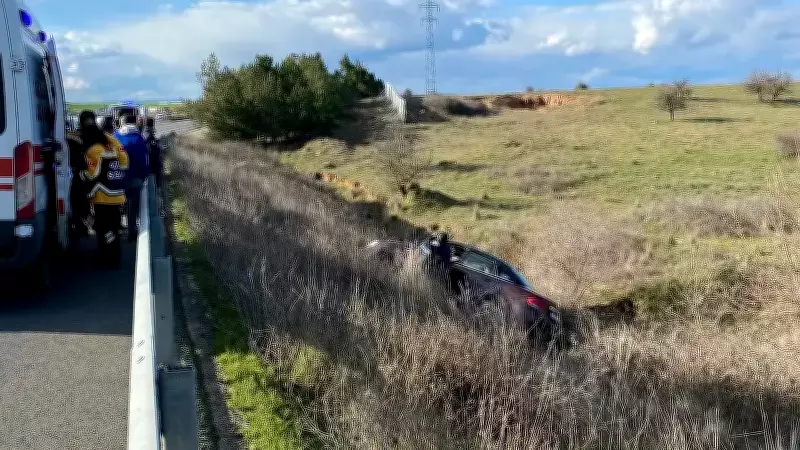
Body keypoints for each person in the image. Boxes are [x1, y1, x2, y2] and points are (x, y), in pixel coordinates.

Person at [79, 111, 129, 265]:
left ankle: (107, 257)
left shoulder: (92, 149)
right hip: (117, 192)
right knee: (113, 227)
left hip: (102, 195)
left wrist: (82, 174)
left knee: (104, 228)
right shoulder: (110, 140)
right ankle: (113, 255)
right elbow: (125, 161)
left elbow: (93, 174)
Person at [113, 114, 149, 241]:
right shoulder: (139, 138)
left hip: (117, 177)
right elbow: (143, 161)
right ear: (134, 123)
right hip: (134, 178)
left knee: (116, 204)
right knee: (132, 206)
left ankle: (115, 230)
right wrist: (144, 175)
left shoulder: (115, 136)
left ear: (121, 123)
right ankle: (131, 231)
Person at [144, 117, 164, 191]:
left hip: (150, 164)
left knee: (151, 187)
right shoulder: (152, 135)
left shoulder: (144, 134)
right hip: (154, 164)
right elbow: (157, 150)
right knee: (154, 186)